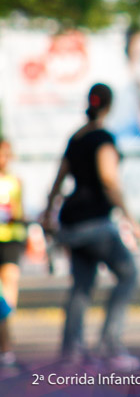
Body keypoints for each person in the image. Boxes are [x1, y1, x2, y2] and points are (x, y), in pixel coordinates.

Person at [42, 83, 140, 370]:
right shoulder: (102, 137)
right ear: (109, 106)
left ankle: (70, 351)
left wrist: (50, 212)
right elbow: (108, 178)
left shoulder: (76, 137)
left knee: (82, 286)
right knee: (128, 275)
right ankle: (110, 346)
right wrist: (130, 218)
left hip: (71, 222)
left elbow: (58, 178)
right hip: (95, 222)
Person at [0, 139, 26, 371]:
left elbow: (19, 211)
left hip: (11, 238)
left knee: (9, 285)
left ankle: (6, 334)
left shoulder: (15, 181)